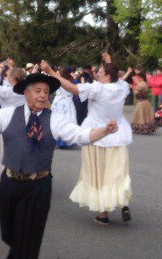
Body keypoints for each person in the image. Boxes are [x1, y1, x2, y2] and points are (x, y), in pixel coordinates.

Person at [0, 72, 119, 259]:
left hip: (38, 185)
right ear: (26, 93)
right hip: (10, 182)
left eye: (46, 92)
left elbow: (80, 135)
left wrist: (104, 130)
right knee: (9, 232)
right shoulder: (7, 114)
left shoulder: (55, 119)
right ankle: (23, 255)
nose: (43, 95)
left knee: (28, 233)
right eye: (38, 91)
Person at [42, 53, 133, 225]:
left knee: (99, 174)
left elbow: (73, 89)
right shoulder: (121, 87)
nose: (96, 73)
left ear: (106, 76)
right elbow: (115, 76)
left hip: (97, 135)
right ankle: (122, 202)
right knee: (117, 172)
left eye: (100, 71)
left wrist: (51, 72)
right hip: (118, 136)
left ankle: (104, 214)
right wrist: (109, 62)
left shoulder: (97, 89)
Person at [51, 67, 79, 147]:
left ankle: (56, 139)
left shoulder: (57, 80)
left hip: (58, 101)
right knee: (68, 119)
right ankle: (67, 140)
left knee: (56, 120)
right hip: (68, 102)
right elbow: (78, 91)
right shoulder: (73, 81)